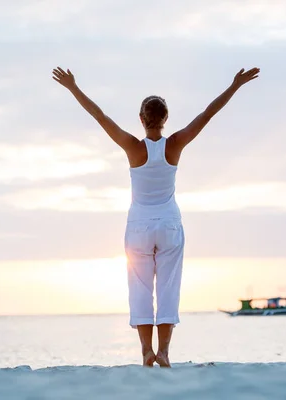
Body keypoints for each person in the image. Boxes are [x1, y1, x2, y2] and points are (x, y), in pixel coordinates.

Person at [52, 66, 260, 367]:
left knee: (139, 287)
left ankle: (146, 351)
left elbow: (100, 117)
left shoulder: (133, 148)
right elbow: (207, 114)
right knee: (168, 287)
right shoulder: (174, 144)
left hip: (138, 226)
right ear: (165, 120)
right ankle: (163, 352)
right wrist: (235, 85)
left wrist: (73, 87)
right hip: (169, 224)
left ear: (141, 119)